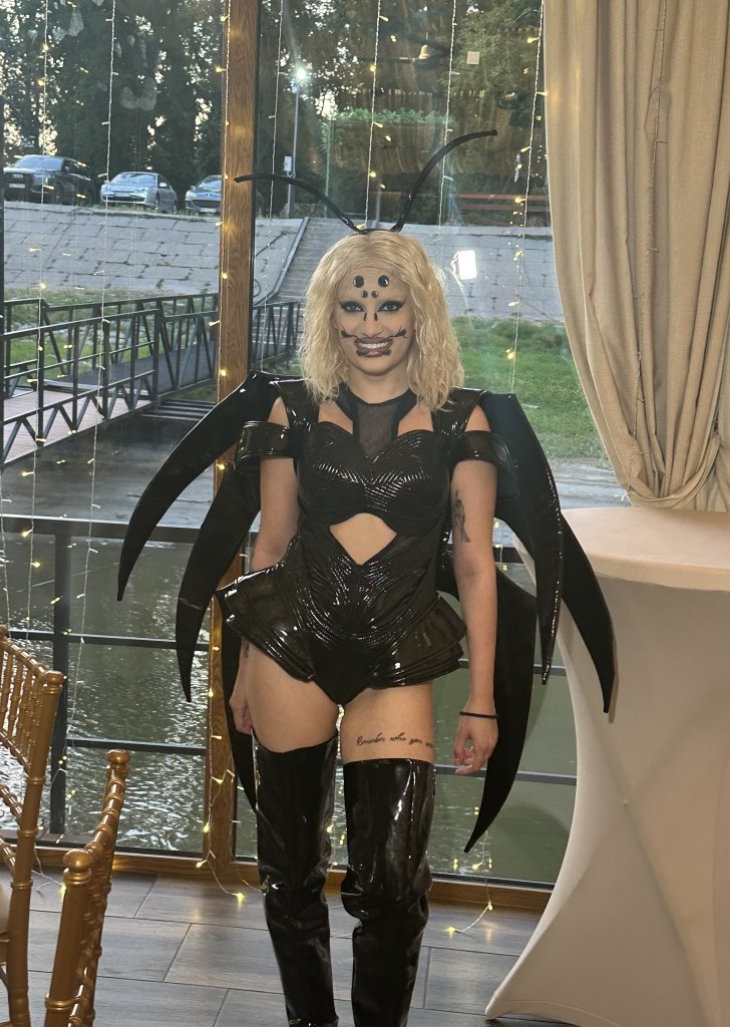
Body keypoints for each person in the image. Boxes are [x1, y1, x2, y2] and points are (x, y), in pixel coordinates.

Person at [217, 228, 506, 1027]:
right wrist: (242, 667)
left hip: (397, 651)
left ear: (419, 312)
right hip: (290, 645)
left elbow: (476, 566)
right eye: (353, 305)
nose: (371, 323)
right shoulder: (294, 407)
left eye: (388, 304)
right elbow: (271, 545)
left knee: (393, 886)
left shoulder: (461, 417)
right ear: (330, 314)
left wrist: (481, 698)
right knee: (290, 873)